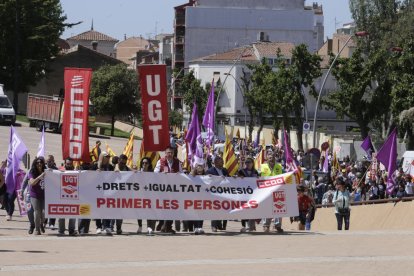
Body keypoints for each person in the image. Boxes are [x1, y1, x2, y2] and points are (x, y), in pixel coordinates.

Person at [154, 146, 182, 234]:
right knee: (164, 207)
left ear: (173, 153)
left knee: (172, 207)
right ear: (165, 153)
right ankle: (163, 223)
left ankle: (168, 226)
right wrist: (162, 174)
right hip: (163, 189)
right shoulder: (161, 161)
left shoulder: (177, 162)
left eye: (171, 153)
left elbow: (182, 173)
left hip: (174, 189)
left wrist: (179, 174)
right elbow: (155, 172)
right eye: (168, 153)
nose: (170, 154)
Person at [260, 150, 284, 233]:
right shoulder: (262, 167)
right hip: (266, 191)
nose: (271, 159)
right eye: (270, 157)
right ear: (267, 158)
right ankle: (266, 225)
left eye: (273, 157)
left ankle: (277, 225)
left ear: (275, 158)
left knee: (279, 208)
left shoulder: (279, 167)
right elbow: (258, 177)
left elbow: (283, 177)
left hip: (277, 190)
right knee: (266, 208)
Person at [92, 152, 114, 235]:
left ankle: (107, 226)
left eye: (109, 156)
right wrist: (95, 172)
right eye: (106, 156)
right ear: (102, 157)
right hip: (97, 191)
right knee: (98, 209)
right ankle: (98, 227)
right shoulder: (95, 166)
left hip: (108, 191)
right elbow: (89, 175)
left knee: (107, 209)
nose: (108, 158)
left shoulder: (110, 167)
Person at [206, 156, 230, 232]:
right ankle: (214, 226)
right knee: (215, 210)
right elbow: (206, 181)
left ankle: (220, 225)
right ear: (215, 162)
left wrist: (234, 178)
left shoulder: (225, 170)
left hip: (224, 193)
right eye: (221, 161)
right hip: (214, 194)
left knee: (222, 209)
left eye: (222, 161)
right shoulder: (210, 171)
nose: (223, 162)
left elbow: (229, 179)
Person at [237, 157, 259, 232]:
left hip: (253, 194)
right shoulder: (241, 171)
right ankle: (244, 226)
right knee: (244, 210)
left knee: (252, 210)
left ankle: (252, 226)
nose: (248, 164)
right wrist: (239, 177)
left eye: (249, 162)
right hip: (243, 193)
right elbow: (236, 179)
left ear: (252, 163)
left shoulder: (255, 171)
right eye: (246, 162)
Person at [58, 157, 77, 236]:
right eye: (67, 163)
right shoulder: (60, 169)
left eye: (70, 163)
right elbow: (54, 172)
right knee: (61, 214)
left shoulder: (76, 171)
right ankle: (61, 230)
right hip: (62, 195)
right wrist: (60, 171)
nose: (68, 165)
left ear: (72, 163)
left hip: (73, 196)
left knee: (73, 214)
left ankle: (71, 230)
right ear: (65, 163)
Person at [28, 157, 47, 235]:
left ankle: (41, 223)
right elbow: (32, 183)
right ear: (35, 164)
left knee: (44, 212)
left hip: (44, 195)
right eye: (37, 162)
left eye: (41, 162)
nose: (39, 164)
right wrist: (40, 177)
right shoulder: (32, 172)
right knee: (37, 212)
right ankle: (37, 229)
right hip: (34, 195)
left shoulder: (46, 171)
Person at [139, 157, 157, 235]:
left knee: (150, 211)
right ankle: (140, 226)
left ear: (149, 164)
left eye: (146, 163)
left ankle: (150, 227)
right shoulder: (138, 173)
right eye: (143, 163)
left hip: (150, 195)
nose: (144, 164)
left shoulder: (153, 173)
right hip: (140, 195)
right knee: (139, 211)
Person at [113, 154, 130, 235]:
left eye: (124, 163)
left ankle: (118, 228)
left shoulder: (127, 169)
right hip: (112, 194)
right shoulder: (113, 167)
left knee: (120, 213)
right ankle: (110, 227)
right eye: (121, 163)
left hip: (122, 195)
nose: (123, 165)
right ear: (118, 161)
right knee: (112, 212)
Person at [190, 162, 206, 235]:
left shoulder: (206, 177)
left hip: (202, 197)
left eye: (201, 168)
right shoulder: (191, 176)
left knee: (201, 213)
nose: (199, 170)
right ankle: (196, 227)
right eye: (198, 168)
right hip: (193, 197)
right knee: (195, 213)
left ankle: (200, 227)